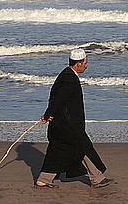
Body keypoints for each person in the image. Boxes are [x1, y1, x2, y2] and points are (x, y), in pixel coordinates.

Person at [35, 49, 114, 189]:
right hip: (68, 124)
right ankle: (96, 178)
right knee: (83, 147)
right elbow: (58, 100)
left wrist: (49, 114)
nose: (86, 66)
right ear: (78, 63)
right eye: (85, 63)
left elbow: (57, 100)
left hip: (63, 124)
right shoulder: (69, 79)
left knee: (60, 150)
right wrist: (47, 115)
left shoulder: (67, 75)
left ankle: (44, 179)